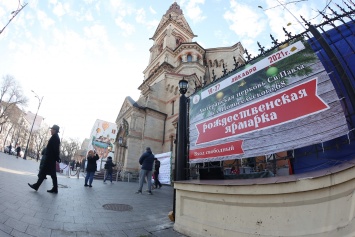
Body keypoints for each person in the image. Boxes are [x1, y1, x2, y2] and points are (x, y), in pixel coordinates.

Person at [28, 125, 61, 194]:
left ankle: (37, 186)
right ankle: (54, 188)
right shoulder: (55, 137)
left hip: (50, 159)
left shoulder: (55, 138)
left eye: (52, 129)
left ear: (55, 130)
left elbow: (56, 150)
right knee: (52, 175)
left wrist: (57, 158)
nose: (50, 130)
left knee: (44, 173)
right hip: (51, 159)